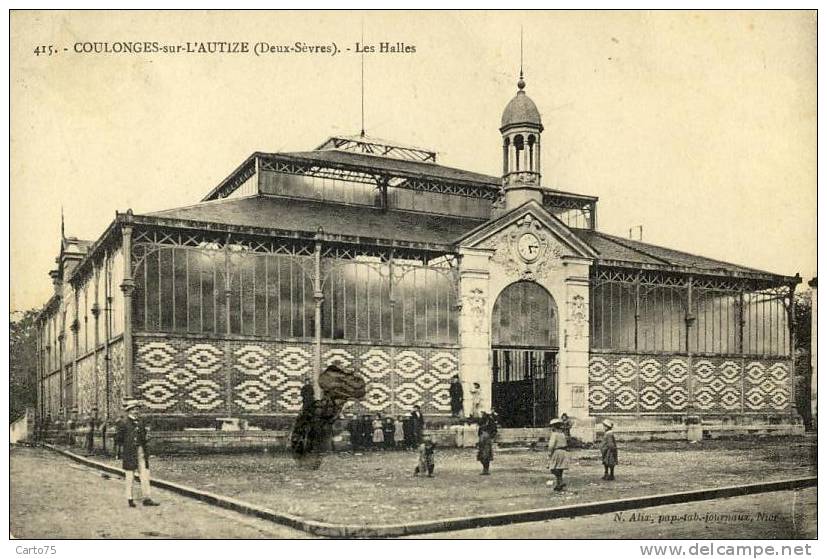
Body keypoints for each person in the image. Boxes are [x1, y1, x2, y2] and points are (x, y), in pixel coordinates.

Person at [117, 399, 160, 507]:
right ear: (129, 411)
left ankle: (147, 498)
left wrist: (146, 439)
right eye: (134, 409)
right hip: (129, 453)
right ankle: (130, 498)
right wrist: (126, 447)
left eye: (137, 409)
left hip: (141, 452)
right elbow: (118, 439)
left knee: (144, 474)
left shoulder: (141, 423)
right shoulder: (123, 423)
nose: (136, 411)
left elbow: (144, 437)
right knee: (130, 476)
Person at [547, 418, 570, 492]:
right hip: (563, 452)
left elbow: (551, 445)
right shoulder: (562, 434)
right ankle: (558, 484)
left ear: (554, 426)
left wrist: (549, 453)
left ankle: (560, 482)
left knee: (553, 468)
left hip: (557, 452)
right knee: (560, 469)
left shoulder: (554, 434)